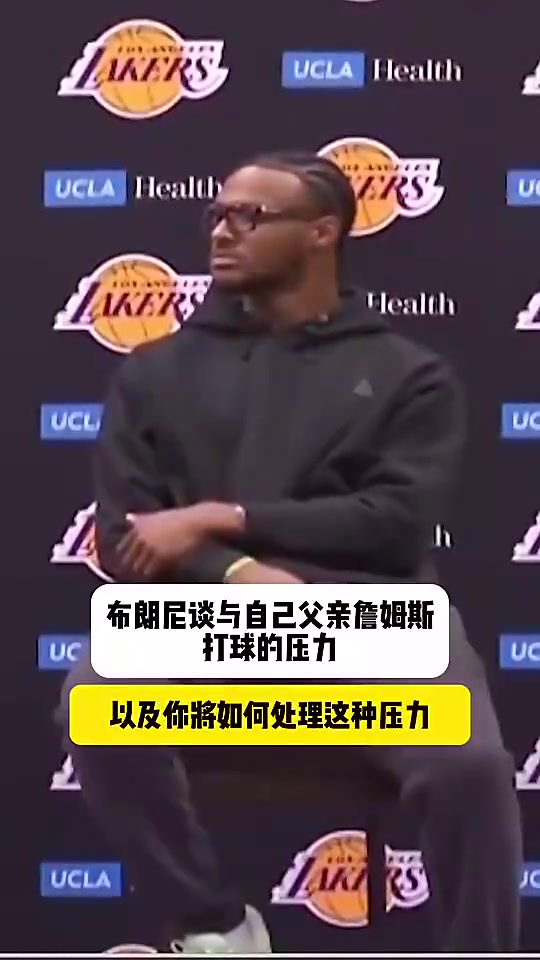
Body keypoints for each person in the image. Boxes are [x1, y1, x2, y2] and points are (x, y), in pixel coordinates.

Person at [58, 151, 522, 955]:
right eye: (217, 214)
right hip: (209, 623)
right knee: (97, 705)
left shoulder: (408, 375)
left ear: (322, 232)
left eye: (250, 216)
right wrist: (237, 572)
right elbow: (128, 530)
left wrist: (219, 517)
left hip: (368, 623)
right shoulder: (155, 374)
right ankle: (215, 926)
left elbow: (396, 521)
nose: (222, 231)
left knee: (469, 769)